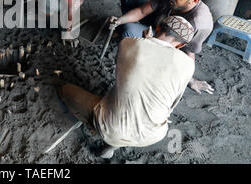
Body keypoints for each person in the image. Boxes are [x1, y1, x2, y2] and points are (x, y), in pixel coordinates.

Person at [59, 16, 196, 159]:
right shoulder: (188, 65)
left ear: (157, 28)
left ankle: (104, 133)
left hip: (112, 128)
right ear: (180, 46)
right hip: (154, 134)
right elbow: (174, 102)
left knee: (66, 90)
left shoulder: (129, 43)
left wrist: (146, 41)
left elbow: (120, 72)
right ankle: (111, 147)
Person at [110, 0, 214, 94]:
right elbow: (142, 11)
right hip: (158, 20)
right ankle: (127, 30)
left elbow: (188, 54)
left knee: (130, 30)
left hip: (164, 38)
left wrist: (190, 80)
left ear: (195, 0)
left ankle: (132, 58)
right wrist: (119, 21)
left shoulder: (199, 23)